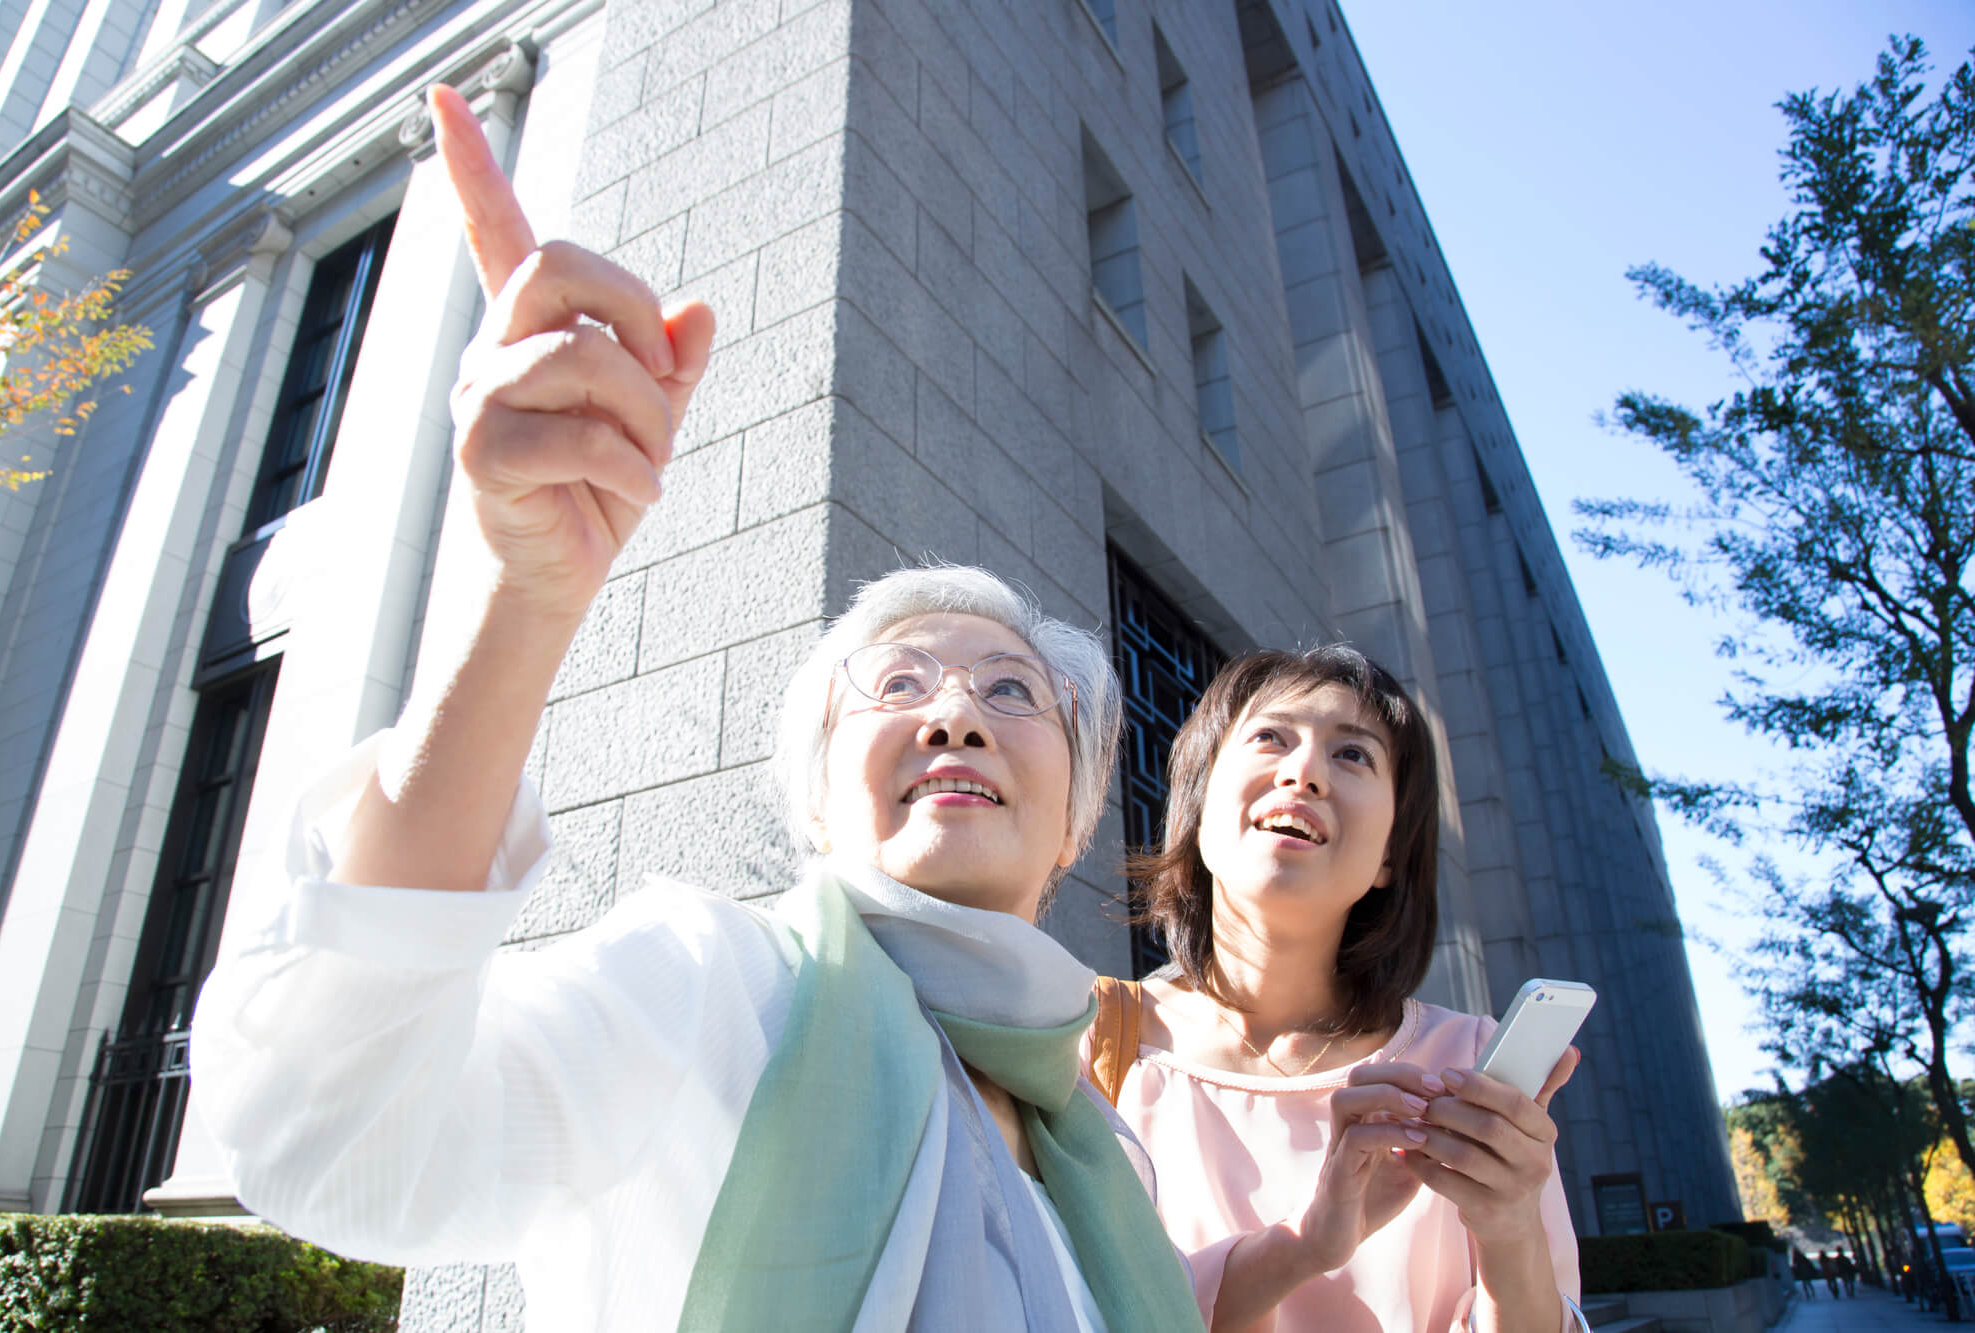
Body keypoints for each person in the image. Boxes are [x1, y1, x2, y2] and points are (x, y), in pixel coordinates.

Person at [190, 85, 1350, 1333]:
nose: (955, 714)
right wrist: (521, 604)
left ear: (1074, 818)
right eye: (897, 684)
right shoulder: (709, 985)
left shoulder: (1101, 1149)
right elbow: (340, 1133)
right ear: (813, 795)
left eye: (1011, 692)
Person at [1084, 647, 1587, 1333]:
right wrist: (1304, 1245)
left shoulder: (1465, 1063)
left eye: (1353, 754)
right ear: (1199, 810)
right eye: (1270, 737)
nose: (1304, 772)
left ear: (1389, 854)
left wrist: (1509, 1227)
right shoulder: (1093, 1044)